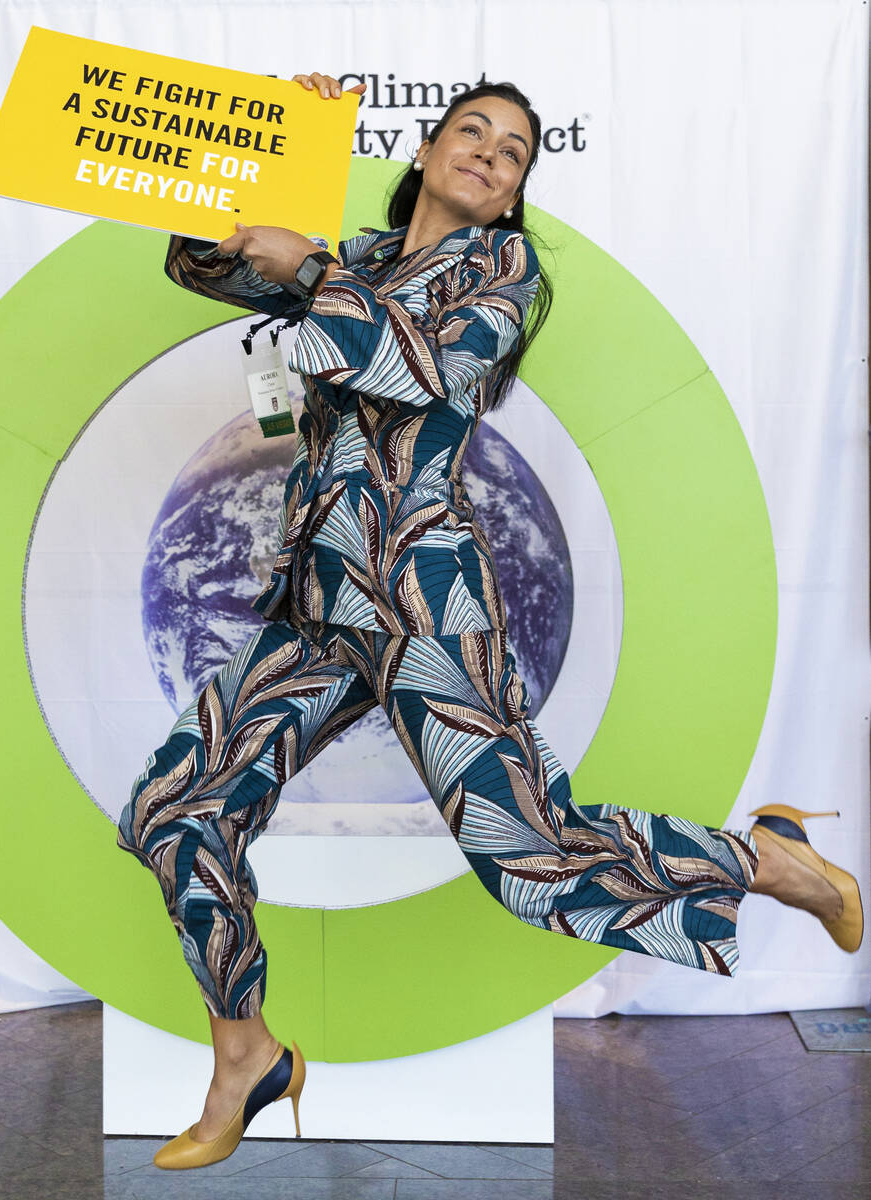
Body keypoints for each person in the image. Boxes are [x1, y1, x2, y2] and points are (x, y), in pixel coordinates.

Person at [116, 71, 864, 1169]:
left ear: (510, 194)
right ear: (423, 152)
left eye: (511, 150)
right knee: (176, 810)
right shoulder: (361, 260)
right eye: (470, 131)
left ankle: (762, 857)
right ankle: (246, 1058)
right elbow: (205, 260)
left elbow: (422, 368)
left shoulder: (500, 274)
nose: (488, 151)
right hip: (318, 606)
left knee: (526, 861)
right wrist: (276, 162)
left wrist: (309, 265)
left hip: (425, 604)